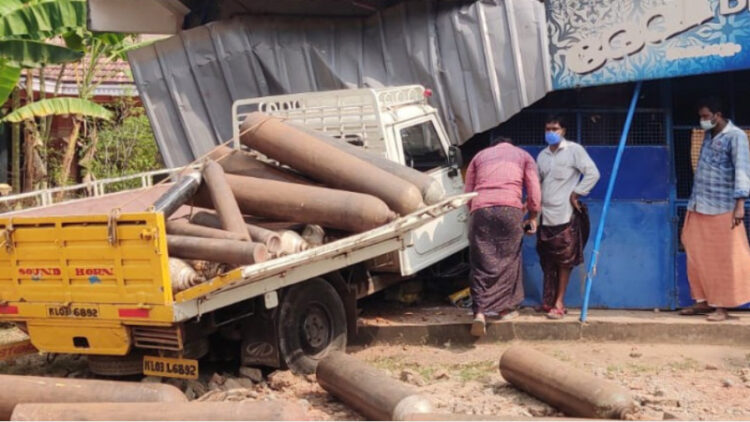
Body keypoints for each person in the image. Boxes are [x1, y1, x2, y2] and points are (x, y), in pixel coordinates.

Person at [680, 97, 750, 322]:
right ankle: (702, 300)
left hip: (723, 207)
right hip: (699, 204)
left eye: (706, 116)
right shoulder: (709, 136)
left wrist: (740, 203)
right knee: (695, 251)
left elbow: (742, 170)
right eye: (701, 117)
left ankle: (722, 306)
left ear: (718, 115)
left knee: (724, 258)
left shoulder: (736, 136)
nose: (703, 121)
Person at [464, 136, 541, 337]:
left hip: (481, 209)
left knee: (481, 261)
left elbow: (467, 191)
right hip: (510, 209)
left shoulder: (479, 156)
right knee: (509, 260)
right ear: (510, 143)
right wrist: (533, 215)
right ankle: (504, 309)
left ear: (494, 145)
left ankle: (480, 312)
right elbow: (534, 190)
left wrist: (475, 212)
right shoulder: (523, 156)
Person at [536, 116, 600, 320]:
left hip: (565, 215)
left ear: (563, 130)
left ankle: (559, 303)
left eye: (555, 128)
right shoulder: (542, 155)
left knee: (565, 261)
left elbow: (593, 173)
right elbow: (537, 183)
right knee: (547, 260)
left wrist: (577, 193)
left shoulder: (574, 150)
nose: (551, 132)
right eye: (548, 128)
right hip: (545, 216)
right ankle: (548, 301)